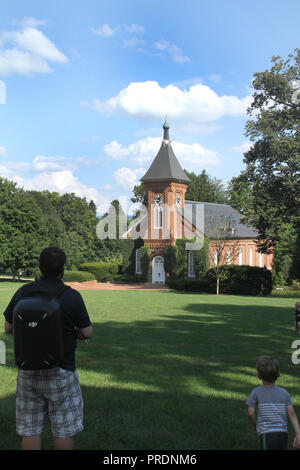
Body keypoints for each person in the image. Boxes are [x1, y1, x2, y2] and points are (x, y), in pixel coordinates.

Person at [3, 246, 92, 451]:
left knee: (30, 428)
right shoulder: (72, 296)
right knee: (63, 428)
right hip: (61, 370)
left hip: (28, 370)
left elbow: (8, 327)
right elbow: (87, 332)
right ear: (62, 269)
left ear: (39, 267)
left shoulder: (23, 292)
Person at [246, 355, 300, 450]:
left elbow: (250, 413)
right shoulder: (284, 393)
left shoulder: (256, 392)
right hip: (283, 435)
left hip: (267, 434)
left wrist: (256, 426)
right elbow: (292, 414)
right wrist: (298, 434)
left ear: (258, 376)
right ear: (278, 374)